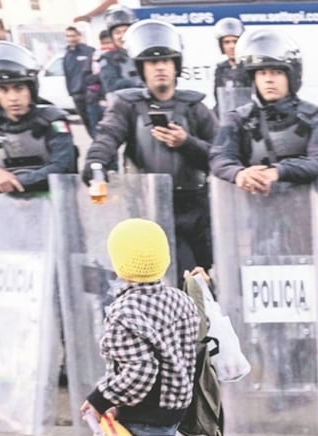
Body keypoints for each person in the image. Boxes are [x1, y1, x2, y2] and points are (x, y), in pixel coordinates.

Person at [81, 217, 217, 436]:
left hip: (146, 409)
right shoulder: (178, 299)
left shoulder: (125, 313)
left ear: (119, 264)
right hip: (176, 401)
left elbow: (139, 373)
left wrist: (100, 399)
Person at [85, 19, 219, 275]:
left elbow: (221, 155)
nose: (159, 68)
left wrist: (186, 143)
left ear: (175, 65)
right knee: (170, 274)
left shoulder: (195, 107)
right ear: (141, 67)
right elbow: (107, 135)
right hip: (148, 207)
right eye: (151, 62)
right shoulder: (128, 105)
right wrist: (97, 164)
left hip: (196, 209)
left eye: (166, 61)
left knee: (201, 280)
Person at [210, 29, 318, 196]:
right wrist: (239, 174)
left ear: (291, 76)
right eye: (262, 73)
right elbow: (219, 158)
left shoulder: (313, 117)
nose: (269, 79)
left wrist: (278, 171)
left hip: (301, 208)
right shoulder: (238, 119)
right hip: (250, 208)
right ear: (253, 79)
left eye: (276, 72)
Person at [0, 42, 77, 194]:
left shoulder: (54, 121)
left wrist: (15, 182)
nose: (13, 98)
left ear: (31, 88)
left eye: (19, 88)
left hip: (55, 204)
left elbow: (63, 166)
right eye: (3, 90)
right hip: (8, 209)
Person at [98, 4, 142, 95]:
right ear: (112, 36)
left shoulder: (144, 54)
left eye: (126, 31)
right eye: (117, 32)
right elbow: (111, 85)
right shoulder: (107, 58)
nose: (122, 36)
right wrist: (137, 83)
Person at [212, 17, 250, 116]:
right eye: (227, 42)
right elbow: (219, 99)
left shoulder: (250, 66)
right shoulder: (221, 69)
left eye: (235, 41)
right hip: (226, 118)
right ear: (221, 45)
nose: (231, 46)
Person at [63, 26, 97, 136]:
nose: (71, 39)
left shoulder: (89, 51)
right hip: (77, 95)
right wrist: (71, 92)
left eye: (73, 36)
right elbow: (67, 75)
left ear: (79, 36)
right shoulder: (67, 56)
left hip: (91, 93)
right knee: (86, 123)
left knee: (95, 122)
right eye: (68, 36)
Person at [84, 30, 113, 134]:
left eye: (109, 42)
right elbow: (87, 78)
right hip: (95, 99)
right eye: (104, 43)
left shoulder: (120, 57)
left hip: (114, 100)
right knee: (97, 131)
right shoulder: (94, 57)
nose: (106, 46)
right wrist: (102, 75)